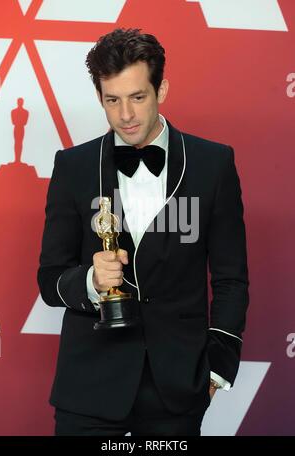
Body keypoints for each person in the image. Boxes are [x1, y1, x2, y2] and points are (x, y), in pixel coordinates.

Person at [37, 28, 249, 436]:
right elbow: (50, 280)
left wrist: (218, 367)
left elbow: (231, 278)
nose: (126, 115)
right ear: (99, 97)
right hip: (89, 390)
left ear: (161, 89)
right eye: (112, 100)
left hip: (177, 390)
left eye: (138, 97)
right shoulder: (74, 167)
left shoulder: (213, 164)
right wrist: (90, 281)